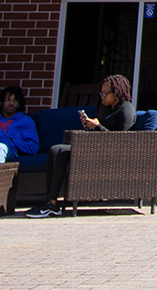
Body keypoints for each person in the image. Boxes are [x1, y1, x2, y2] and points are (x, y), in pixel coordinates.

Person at [24, 75, 135, 217]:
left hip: (110, 155)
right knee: (54, 149)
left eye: (105, 93)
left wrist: (98, 126)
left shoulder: (126, 110)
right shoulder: (109, 109)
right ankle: (50, 201)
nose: (102, 97)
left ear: (117, 92)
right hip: (97, 148)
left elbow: (122, 141)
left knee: (62, 152)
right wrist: (90, 127)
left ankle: (52, 204)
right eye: (101, 93)